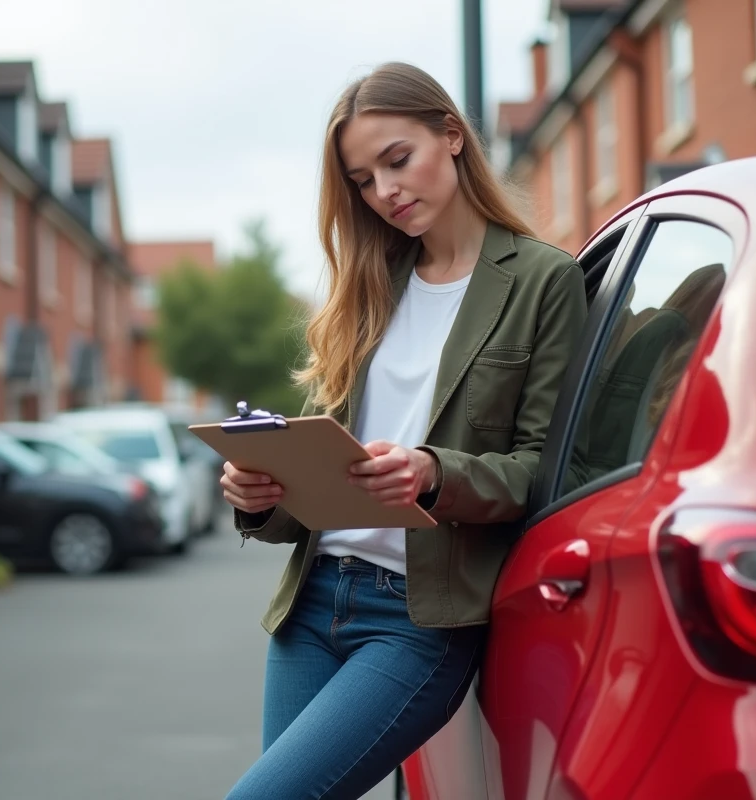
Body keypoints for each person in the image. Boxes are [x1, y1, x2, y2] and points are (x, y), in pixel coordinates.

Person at [220, 62, 588, 800]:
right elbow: (334, 480)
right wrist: (260, 493)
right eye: (363, 179)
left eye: (397, 160)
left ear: (451, 135)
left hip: (417, 621)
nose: (384, 192)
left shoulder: (545, 281)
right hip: (314, 602)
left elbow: (546, 472)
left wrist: (433, 471)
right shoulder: (370, 285)